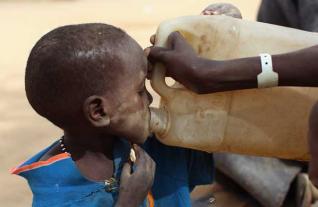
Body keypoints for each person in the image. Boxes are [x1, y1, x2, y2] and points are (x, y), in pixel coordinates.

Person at [11, 23, 213, 207]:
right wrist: (129, 201)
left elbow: (210, 131)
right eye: (140, 90)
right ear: (98, 111)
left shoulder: (149, 143)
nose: (150, 100)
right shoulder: (57, 197)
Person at [147, 2, 318, 197]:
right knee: (202, 118)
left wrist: (214, 72)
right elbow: (276, 56)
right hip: (287, 130)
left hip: (301, 130)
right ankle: (292, 189)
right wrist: (230, 42)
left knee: (202, 126)